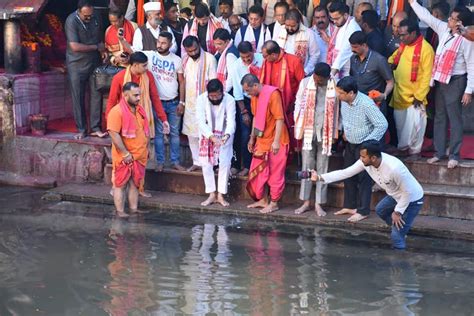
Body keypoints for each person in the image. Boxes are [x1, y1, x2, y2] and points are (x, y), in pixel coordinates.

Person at [311, 140, 424, 250]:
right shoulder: (365, 162)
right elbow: (345, 173)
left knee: (396, 238)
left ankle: (400, 261)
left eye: (363, 157)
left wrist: (398, 212)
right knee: (381, 210)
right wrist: (320, 177)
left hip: (412, 199)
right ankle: (400, 229)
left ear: (373, 158)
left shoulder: (394, 168)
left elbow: (408, 192)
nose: (360, 159)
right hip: (395, 195)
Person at [410, 0, 473, 169]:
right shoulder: (444, 29)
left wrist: (469, 90)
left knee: (454, 118)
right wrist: (412, 2)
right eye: (450, 18)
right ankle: (439, 152)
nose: (449, 21)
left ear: (461, 23)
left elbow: (471, 66)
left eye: (453, 19)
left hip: (456, 81)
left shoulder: (467, 39)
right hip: (440, 79)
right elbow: (427, 17)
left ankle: (454, 154)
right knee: (439, 117)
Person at [335, 76, 388, 222]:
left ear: (351, 93)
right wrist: (346, 132)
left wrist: (368, 145)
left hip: (364, 146)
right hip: (351, 144)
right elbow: (346, 119)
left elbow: (382, 124)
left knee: (364, 179)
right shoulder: (345, 102)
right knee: (349, 175)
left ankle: (363, 210)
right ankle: (350, 206)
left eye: (341, 93)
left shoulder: (366, 104)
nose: (338, 96)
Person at [241, 74, 290, 214]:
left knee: (275, 173)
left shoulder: (272, 94)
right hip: (262, 140)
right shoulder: (255, 97)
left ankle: (274, 203)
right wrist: (252, 138)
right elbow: (256, 117)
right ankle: (263, 199)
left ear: (255, 86)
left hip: (277, 139)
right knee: (260, 171)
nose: (247, 94)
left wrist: (275, 142)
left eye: (248, 91)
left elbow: (279, 119)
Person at [294, 63, 335, 217]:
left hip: (326, 130)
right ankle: (306, 202)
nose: (318, 82)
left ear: (327, 77)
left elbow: (337, 109)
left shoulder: (333, 85)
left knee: (323, 167)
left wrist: (337, 130)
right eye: (317, 79)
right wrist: (299, 124)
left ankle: (319, 203)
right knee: (307, 166)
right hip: (308, 129)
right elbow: (298, 103)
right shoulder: (305, 83)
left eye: (321, 80)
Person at [388, 19, 434, 156]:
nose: (400, 38)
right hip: (399, 95)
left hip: (415, 98)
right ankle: (403, 151)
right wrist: (389, 64)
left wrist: (419, 96)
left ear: (413, 33)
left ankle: (414, 155)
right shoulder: (404, 46)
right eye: (399, 35)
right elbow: (392, 59)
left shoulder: (426, 49)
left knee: (414, 131)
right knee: (401, 129)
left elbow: (427, 75)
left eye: (403, 35)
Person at [142, 32, 186, 172]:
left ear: (170, 44)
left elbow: (182, 82)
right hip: (157, 103)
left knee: (174, 133)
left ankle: (175, 162)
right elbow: (131, 51)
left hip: (173, 102)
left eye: (163, 43)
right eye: (158, 42)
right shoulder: (150, 56)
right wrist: (121, 39)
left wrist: (182, 102)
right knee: (159, 134)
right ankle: (160, 162)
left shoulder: (177, 60)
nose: (160, 45)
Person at [65, 0, 107, 140]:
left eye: (90, 15)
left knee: (96, 95)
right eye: (86, 16)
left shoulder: (95, 16)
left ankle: (95, 128)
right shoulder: (71, 21)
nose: (89, 18)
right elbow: (74, 46)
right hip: (76, 64)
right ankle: (82, 129)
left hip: (94, 62)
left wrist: (102, 51)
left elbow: (100, 37)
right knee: (78, 96)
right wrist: (96, 47)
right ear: (78, 11)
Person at [108, 82, 151, 218]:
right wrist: (125, 153)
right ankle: (120, 212)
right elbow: (113, 133)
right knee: (120, 184)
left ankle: (133, 209)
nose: (139, 98)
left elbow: (145, 131)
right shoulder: (117, 111)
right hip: (124, 156)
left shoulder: (140, 110)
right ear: (125, 95)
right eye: (135, 95)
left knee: (135, 184)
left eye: (139, 95)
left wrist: (146, 149)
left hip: (140, 155)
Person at [106, 51, 170, 139]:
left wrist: (164, 119)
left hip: (143, 119)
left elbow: (155, 98)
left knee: (143, 147)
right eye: (144, 65)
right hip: (124, 119)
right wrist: (109, 122)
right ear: (135, 65)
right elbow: (112, 100)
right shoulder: (119, 77)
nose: (146, 68)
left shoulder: (148, 76)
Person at [196, 79, 236, 207]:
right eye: (211, 96)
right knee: (206, 164)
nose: (214, 98)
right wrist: (211, 136)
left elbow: (231, 121)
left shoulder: (229, 100)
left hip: (224, 135)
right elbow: (200, 121)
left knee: (224, 163)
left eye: (217, 95)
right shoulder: (201, 99)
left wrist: (226, 136)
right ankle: (211, 194)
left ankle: (221, 195)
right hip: (206, 135)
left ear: (222, 92)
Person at [260, 40, 305, 151]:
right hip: (271, 105)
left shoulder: (294, 61)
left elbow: (303, 84)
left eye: (266, 56)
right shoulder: (266, 62)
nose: (264, 59)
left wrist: (295, 103)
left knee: (290, 133)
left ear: (274, 55)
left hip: (289, 105)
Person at [182, 35, 217, 172]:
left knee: (207, 134)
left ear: (199, 45)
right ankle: (196, 161)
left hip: (206, 103)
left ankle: (209, 163)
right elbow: (184, 81)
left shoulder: (210, 59)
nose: (193, 53)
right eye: (189, 51)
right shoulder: (185, 60)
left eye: (195, 50)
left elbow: (214, 83)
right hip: (190, 103)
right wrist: (182, 102)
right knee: (192, 135)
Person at [230, 41, 264, 176]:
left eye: (248, 57)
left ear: (253, 51)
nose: (246, 60)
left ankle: (257, 165)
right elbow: (238, 92)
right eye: (243, 57)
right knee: (244, 134)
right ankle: (242, 165)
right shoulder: (236, 66)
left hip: (261, 98)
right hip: (245, 101)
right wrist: (244, 112)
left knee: (259, 132)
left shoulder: (262, 59)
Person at [349, 31, 394, 116]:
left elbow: (390, 81)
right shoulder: (353, 59)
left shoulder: (379, 60)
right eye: (351, 47)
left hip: (374, 104)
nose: (352, 50)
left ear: (364, 45)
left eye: (355, 47)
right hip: (358, 104)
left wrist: (384, 95)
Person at [276, 9, 320, 76]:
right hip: (281, 72)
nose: (290, 28)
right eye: (287, 25)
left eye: (293, 26)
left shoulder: (309, 34)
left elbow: (315, 55)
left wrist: (306, 71)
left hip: (300, 73)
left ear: (299, 22)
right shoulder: (280, 30)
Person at [327, 1, 361, 78]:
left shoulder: (353, 28)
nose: (334, 22)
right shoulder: (340, 24)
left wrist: (332, 73)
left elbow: (344, 52)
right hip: (337, 66)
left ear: (345, 15)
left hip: (348, 69)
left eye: (337, 18)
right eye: (332, 19)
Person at [213, 28, 239, 92]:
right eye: (215, 44)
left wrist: (223, 92)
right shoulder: (222, 50)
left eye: (219, 44)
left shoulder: (230, 55)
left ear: (227, 42)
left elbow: (231, 78)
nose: (216, 47)